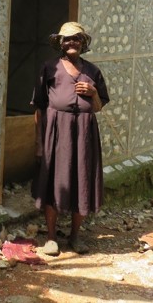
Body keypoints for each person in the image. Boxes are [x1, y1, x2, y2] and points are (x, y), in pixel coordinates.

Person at [31, 22, 109, 255]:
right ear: (61, 44)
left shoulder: (93, 71)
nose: (71, 42)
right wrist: (38, 141)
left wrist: (93, 92)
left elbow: (98, 107)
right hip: (56, 131)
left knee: (82, 181)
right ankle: (52, 238)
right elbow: (39, 107)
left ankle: (75, 236)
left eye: (76, 38)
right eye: (67, 39)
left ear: (83, 42)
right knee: (53, 181)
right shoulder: (49, 67)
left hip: (85, 133)